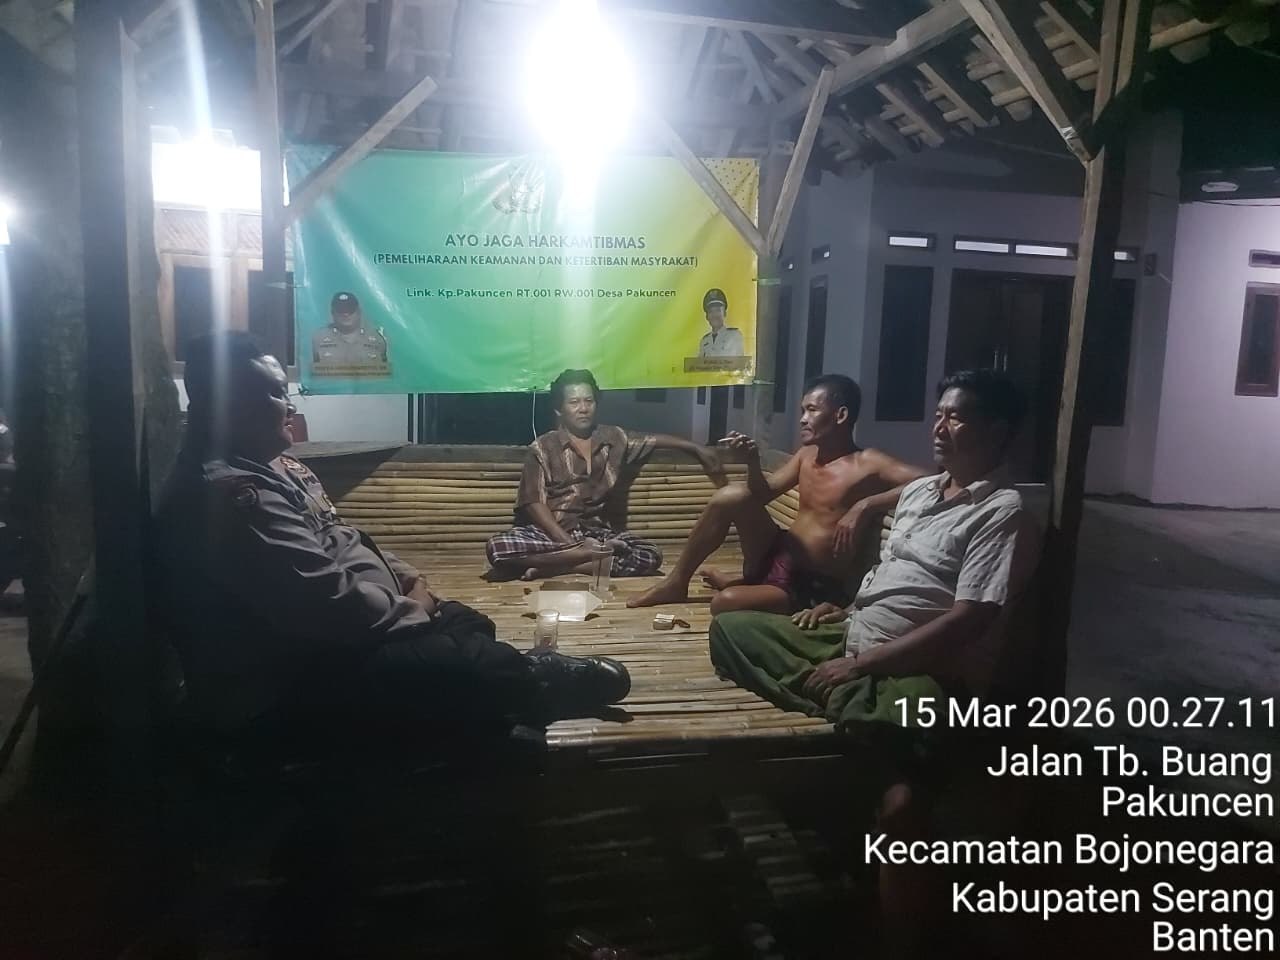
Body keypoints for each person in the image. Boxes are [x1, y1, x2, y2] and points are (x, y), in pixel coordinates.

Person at [152, 332, 630, 745]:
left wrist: (409, 578)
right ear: (229, 405)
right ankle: (535, 684)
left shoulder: (278, 468)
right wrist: (412, 610)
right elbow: (327, 604)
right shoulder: (231, 496)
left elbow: (344, 536)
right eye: (276, 394)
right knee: (462, 661)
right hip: (295, 672)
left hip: (360, 627)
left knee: (469, 623)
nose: (291, 405)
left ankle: (501, 696)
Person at [707, 368, 1040, 958]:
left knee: (905, 784)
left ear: (996, 430)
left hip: (919, 670)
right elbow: (892, 572)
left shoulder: (1001, 512)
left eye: (956, 417)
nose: (939, 427)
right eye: (939, 414)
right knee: (732, 629)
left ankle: (856, 705)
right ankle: (854, 707)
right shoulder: (922, 493)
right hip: (851, 635)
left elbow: (970, 620)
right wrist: (846, 601)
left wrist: (863, 665)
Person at [628, 374, 926, 614]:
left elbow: (931, 479)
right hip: (779, 554)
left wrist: (866, 505)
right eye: (802, 411)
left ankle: (743, 585)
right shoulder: (807, 455)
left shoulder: (868, 463)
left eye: (812, 410)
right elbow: (761, 494)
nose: (803, 419)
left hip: (811, 583)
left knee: (724, 603)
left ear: (841, 415)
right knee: (732, 496)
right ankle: (676, 582)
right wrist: (753, 462)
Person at [485, 368, 727, 581]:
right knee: (498, 547)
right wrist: (571, 545)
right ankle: (582, 559)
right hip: (552, 533)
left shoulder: (614, 438)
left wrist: (697, 448)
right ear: (559, 409)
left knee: (650, 555)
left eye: (589, 401)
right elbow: (533, 503)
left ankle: (557, 568)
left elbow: (652, 439)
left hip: (597, 533)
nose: (583, 409)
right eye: (574, 402)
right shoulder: (543, 447)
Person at [311, 291, 389, 371]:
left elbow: (387, 373)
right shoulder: (317, 339)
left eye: (350, 309)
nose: (346, 314)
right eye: (341, 310)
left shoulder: (378, 339)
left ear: (359, 312)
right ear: (332, 313)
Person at [696, 288, 745, 358]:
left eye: (718, 310)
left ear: (724, 313)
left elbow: (737, 362)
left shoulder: (734, 336)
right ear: (707, 316)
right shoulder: (704, 341)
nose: (714, 315)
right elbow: (699, 363)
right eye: (711, 311)